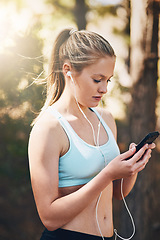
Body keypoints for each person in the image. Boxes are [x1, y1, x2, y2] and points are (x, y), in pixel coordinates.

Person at [28, 28, 155, 240]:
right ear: (68, 70)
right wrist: (107, 174)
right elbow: (49, 218)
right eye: (97, 79)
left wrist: (132, 168)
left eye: (108, 80)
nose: (104, 88)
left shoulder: (105, 119)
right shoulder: (49, 128)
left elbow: (117, 193)